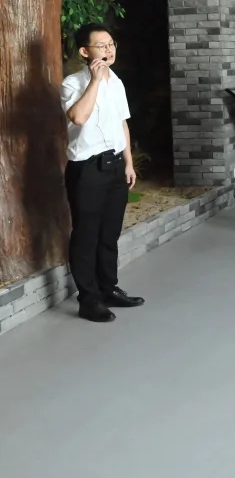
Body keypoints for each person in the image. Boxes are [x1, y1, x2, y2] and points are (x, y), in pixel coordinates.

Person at [61, 23, 143, 323]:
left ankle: (108, 290)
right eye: (101, 45)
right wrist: (95, 81)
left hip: (115, 166)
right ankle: (89, 300)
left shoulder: (117, 82)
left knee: (109, 233)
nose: (109, 50)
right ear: (85, 51)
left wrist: (129, 163)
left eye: (111, 44)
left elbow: (122, 123)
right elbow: (78, 117)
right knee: (86, 236)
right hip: (87, 170)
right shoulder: (72, 83)